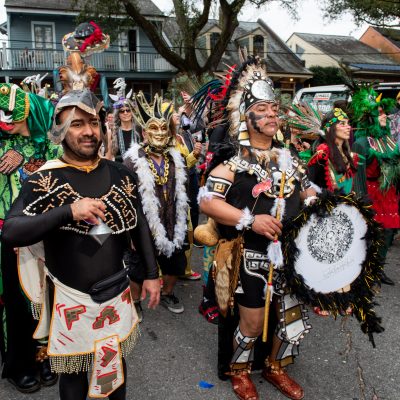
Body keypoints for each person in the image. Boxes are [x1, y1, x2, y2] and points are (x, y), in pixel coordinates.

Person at [2, 87, 160, 400]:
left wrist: (152, 275)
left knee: (113, 373)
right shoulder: (43, 179)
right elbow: (12, 231)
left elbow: (139, 222)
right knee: (73, 376)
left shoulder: (121, 173)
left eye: (93, 123)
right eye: (76, 124)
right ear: (59, 131)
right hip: (69, 300)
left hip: (115, 292)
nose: (88, 131)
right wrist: (68, 211)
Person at [199, 56, 316, 400]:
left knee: (289, 318)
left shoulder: (288, 156)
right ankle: (239, 370)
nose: (271, 116)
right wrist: (250, 219)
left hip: (291, 255)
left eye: (273, 110)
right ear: (246, 117)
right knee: (250, 322)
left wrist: (314, 206)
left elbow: (309, 191)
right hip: (251, 255)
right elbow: (207, 201)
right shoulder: (235, 159)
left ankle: (276, 367)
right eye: (262, 110)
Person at [0, 83, 61, 393]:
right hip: (9, 235)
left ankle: (45, 355)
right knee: (17, 299)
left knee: (46, 296)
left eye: (12, 112)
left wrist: (26, 160)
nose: (6, 119)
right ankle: (18, 363)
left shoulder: (49, 147)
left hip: (47, 233)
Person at [124, 92, 189, 314]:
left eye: (164, 128)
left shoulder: (175, 158)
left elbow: (183, 192)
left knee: (175, 264)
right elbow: (126, 199)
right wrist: (131, 234)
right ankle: (135, 302)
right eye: (154, 128)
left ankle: (168, 294)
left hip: (172, 221)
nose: (160, 133)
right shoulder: (132, 161)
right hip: (144, 225)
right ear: (144, 132)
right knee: (138, 269)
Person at [351, 86, 400, 286]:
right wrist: (361, 201)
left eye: (384, 113)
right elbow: (358, 176)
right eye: (379, 113)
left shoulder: (389, 140)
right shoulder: (362, 143)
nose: (384, 116)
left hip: (387, 193)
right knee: (370, 233)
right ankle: (365, 269)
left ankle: (378, 267)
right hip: (370, 192)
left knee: (389, 232)